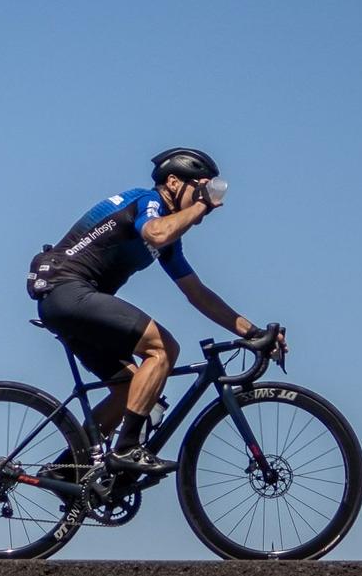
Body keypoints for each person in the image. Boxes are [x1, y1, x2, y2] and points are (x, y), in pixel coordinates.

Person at [26, 147, 284, 475]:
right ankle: (128, 449)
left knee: (129, 390)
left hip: (70, 301)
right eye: (202, 187)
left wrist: (254, 332)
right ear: (174, 183)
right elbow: (155, 231)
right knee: (163, 348)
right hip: (66, 290)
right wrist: (203, 204)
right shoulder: (149, 201)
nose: (208, 199)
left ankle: (67, 468)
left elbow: (197, 294)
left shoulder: (168, 242)